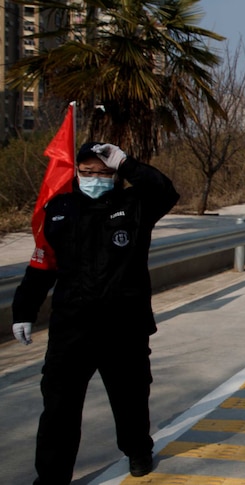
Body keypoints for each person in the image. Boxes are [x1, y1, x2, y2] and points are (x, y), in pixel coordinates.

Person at [11, 142, 180, 484]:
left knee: (131, 398)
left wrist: (127, 162)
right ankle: (52, 477)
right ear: (76, 172)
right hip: (72, 326)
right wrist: (23, 311)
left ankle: (137, 449)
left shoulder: (135, 204)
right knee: (59, 406)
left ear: (115, 175)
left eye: (104, 172)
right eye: (87, 172)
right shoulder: (58, 210)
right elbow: (41, 266)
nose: (95, 178)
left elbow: (166, 192)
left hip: (124, 325)